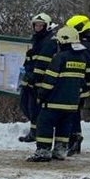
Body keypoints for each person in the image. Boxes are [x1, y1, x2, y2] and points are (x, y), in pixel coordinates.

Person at [27, 26, 87, 162]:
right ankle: (60, 150)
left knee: (44, 123)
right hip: (72, 104)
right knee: (64, 126)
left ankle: (43, 151)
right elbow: (83, 82)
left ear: (63, 41)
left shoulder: (60, 58)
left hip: (54, 102)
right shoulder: (82, 59)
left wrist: (41, 95)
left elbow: (49, 80)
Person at [17, 13, 55, 142]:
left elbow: (42, 63)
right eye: (36, 25)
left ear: (47, 26)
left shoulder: (49, 41)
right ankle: (35, 131)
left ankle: (36, 133)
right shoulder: (38, 39)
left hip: (39, 82)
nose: (38, 27)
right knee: (25, 105)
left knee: (35, 108)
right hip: (31, 79)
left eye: (41, 25)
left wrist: (34, 78)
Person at [64, 15, 90, 155]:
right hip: (82, 86)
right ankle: (74, 140)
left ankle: (74, 139)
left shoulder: (83, 46)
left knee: (72, 113)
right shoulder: (89, 45)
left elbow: (87, 68)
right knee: (74, 112)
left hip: (77, 85)